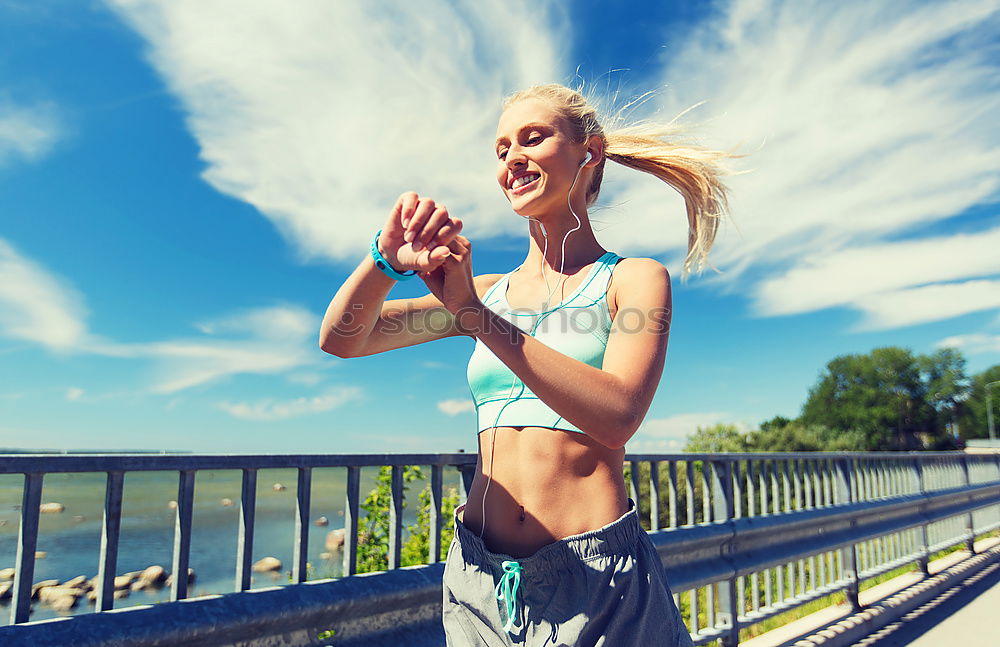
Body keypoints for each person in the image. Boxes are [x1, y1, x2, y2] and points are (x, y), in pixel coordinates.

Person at [319, 83, 738, 646]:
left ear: (590, 152)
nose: (511, 158)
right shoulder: (486, 291)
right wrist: (383, 261)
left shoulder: (632, 279)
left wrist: (472, 315)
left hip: (595, 581)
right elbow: (345, 338)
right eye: (500, 149)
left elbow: (617, 414)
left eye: (532, 138)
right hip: (478, 579)